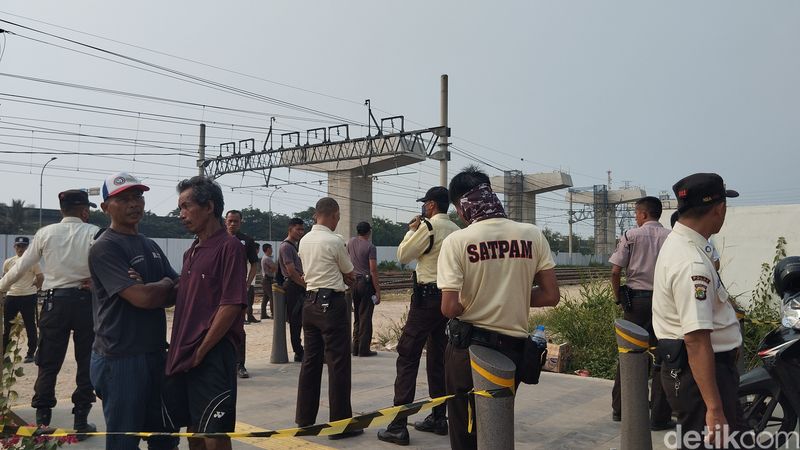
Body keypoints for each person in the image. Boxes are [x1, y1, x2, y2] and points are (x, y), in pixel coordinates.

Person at [437, 167, 560, 450]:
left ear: (461, 206)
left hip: (469, 350)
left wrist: (480, 298)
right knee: (497, 426)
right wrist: (511, 296)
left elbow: (449, 307)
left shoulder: (457, 241)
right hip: (513, 353)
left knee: (465, 430)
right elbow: (551, 295)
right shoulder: (532, 235)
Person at [88, 172, 179, 450]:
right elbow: (141, 298)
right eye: (124, 199)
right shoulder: (105, 247)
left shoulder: (149, 245)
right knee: (124, 443)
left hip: (154, 354)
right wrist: (161, 286)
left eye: (138, 196)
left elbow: (177, 290)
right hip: (120, 358)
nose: (134, 204)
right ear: (105, 208)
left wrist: (158, 287)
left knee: (165, 438)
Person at [653, 173, 742, 447]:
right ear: (719, 209)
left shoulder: (680, 244)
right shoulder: (692, 263)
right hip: (702, 377)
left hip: (693, 374)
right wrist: (714, 409)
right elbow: (696, 340)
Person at [0, 189, 99, 434]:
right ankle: (80, 421)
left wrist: (1, 287)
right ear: (84, 211)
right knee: (86, 360)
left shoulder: (45, 233)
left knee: (48, 362)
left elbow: (20, 268)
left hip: (55, 304)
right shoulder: (94, 232)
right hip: (86, 302)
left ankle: (43, 422)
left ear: (61, 210)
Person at [162, 176, 247, 450]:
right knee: (194, 429)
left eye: (186, 207)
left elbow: (231, 305)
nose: (181, 215)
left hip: (213, 354)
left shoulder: (229, 247)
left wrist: (202, 351)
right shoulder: (191, 252)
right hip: (185, 354)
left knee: (215, 431)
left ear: (209, 206)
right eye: (180, 208)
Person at [378, 186, 460, 446]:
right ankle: (439, 417)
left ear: (432, 205)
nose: (424, 207)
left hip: (425, 300)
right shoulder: (458, 232)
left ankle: (398, 424)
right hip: (448, 300)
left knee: (408, 356)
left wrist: (412, 229)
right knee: (438, 359)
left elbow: (403, 256)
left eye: (426, 204)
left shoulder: (429, 228)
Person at [294, 197, 361, 440]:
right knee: (338, 364)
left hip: (309, 304)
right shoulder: (335, 240)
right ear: (333, 215)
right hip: (332, 306)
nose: (338, 222)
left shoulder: (304, 240)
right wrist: (349, 278)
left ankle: (304, 419)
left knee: (310, 363)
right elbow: (349, 272)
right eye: (338, 217)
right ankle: (340, 425)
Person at [609, 196, 674, 429]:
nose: (635, 218)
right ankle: (659, 416)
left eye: (636, 213)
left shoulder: (630, 236)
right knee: (663, 357)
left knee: (629, 356)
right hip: (664, 304)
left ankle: (620, 409)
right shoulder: (671, 237)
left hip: (635, 304)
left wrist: (619, 298)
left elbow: (616, 271)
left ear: (644, 214)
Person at [225, 209, 261, 379]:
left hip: (238, 292)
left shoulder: (246, 241)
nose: (232, 224)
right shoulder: (216, 238)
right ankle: (222, 364)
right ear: (225, 221)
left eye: (236, 221)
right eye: (230, 220)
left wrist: (247, 284)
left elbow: (254, 264)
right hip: (219, 292)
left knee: (238, 329)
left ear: (241, 222)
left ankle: (240, 364)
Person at [2, 236, 43, 363]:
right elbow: (5, 277)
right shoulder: (9, 262)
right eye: (18, 246)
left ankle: (31, 353)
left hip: (27, 296)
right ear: (14, 247)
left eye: (23, 246)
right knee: (7, 326)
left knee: (30, 324)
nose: (20, 249)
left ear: (27, 248)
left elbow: (40, 277)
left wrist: (35, 287)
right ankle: (5, 354)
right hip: (12, 295)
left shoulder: (33, 262)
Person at [347, 221, 381, 357]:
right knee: (365, 317)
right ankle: (364, 349)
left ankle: (355, 347)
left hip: (354, 282)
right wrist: (378, 290)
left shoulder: (350, 242)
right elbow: (373, 270)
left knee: (357, 317)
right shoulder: (370, 247)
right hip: (366, 283)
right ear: (369, 232)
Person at [279, 217, 306, 362]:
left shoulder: (294, 246)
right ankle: (298, 351)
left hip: (297, 286)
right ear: (290, 229)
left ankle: (300, 350)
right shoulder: (286, 247)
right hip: (293, 287)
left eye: (302, 229)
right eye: (298, 229)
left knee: (301, 319)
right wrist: (304, 286)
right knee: (295, 321)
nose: (301, 232)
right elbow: (290, 271)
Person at [260, 243, 277, 319]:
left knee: (266, 298)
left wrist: (272, 268)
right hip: (267, 279)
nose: (272, 250)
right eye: (271, 248)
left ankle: (263, 314)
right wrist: (273, 268)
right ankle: (273, 313)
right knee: (271, 297)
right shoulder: (267, 258)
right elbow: (274, 267)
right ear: (268, 249)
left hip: (266, 279)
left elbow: (273, 268)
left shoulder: (265, 258)